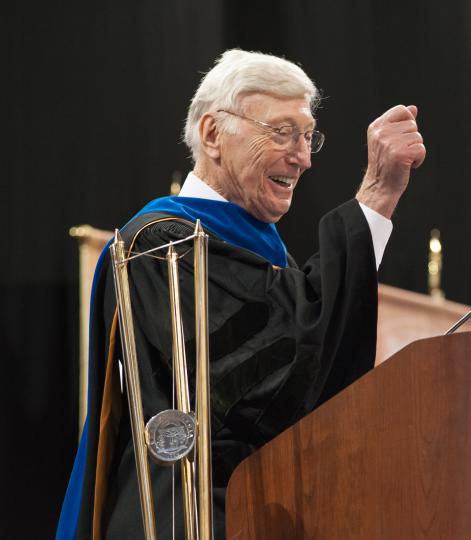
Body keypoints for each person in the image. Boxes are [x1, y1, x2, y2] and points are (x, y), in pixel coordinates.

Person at [57, 49, 426, 539]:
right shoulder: (162, 244)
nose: (303, 157)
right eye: (282, 133)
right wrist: (377, 195)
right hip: (190, 518)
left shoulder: (256, 259)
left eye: (307, 135)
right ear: (212, 134)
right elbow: (281, 370)